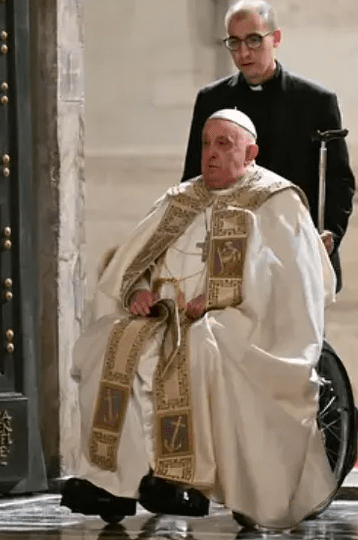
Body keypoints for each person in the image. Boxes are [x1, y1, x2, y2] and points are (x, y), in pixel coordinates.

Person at [61, 109, 338, 529]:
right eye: (206, 144)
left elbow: (290, 281)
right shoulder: (180, 199)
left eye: (223, 144)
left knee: (199, 348)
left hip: (240, 319)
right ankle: (108, 481)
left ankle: (183, 479)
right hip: (162, 317)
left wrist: (219, 298)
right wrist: (137, 291)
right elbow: (134, 261)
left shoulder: (276, 202)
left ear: (251, 153)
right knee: (110, 343)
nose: (210, 154)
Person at [181, 0, 354, 291]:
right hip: (230, 252)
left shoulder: (315, 101)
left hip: (297, 251)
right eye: (234, 42)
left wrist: (331, 235)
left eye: (253, 40)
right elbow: (194, 177)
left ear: (276, 38)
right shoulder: (212, 100)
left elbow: (339, 181)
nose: (243, 52)